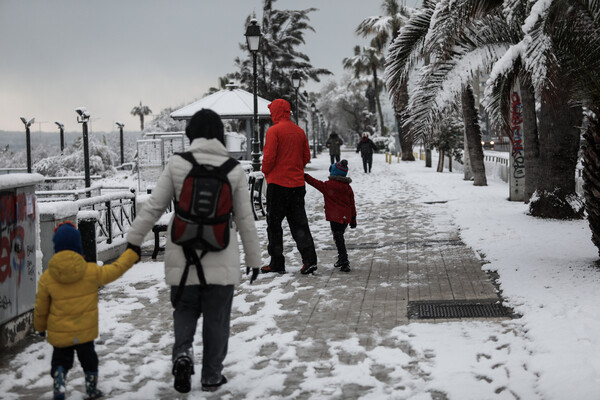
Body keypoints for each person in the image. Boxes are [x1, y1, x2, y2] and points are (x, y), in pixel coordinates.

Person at [126, 109, 261, 394]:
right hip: (222, 255)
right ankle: (212, 375)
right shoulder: (233, 169)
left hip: (182, 255)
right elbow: (246, 219)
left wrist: (134, 241)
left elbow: (154, 207)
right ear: (220, 135)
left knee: (185, 309)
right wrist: (254, 260)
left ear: (191, 134)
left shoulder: (178, 164)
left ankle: (183, 354)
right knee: (217, 318)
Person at [34, 221, 140, 400]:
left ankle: (59, 380)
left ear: (56, 247)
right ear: (78, 245)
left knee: (60, 360)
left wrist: (40, 328)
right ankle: (91, 388)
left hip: (61, 333)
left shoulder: (47, 277)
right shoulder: (90, 271)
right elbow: (114, 270)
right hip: (84, 332)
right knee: (89, 360)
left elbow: (41, 308)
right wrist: (130, 254)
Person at [261, 98, 318, 275]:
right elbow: (306, 156)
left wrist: (266, 171)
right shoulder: (299, 131)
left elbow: (269, 158)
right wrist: (294, 166)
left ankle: (277, 262)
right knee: (299, 224)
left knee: (274, 225)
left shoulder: (273, 131)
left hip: (277, 186)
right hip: (297, 186)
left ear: (276, 112)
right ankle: (309, 260)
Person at [304, 160, 357, 272]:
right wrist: (353, 219)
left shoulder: (328, 186)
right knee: (339, 237)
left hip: (335, 217)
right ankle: (341, 258)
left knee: (338, 238)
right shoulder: (347, 187)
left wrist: (305, 176)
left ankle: (344, 260)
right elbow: (352, 204)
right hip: (345, 218)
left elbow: (315, 182)